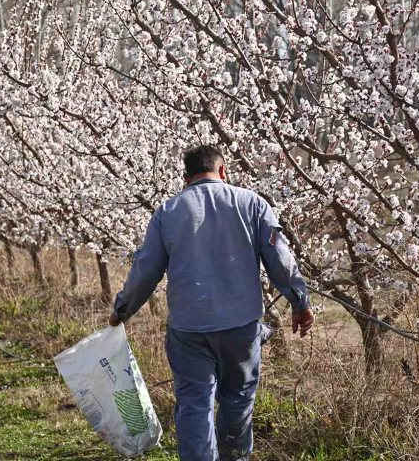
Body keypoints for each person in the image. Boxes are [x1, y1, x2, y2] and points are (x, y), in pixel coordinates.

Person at [109, 145, 314, 461]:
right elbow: (280, 259)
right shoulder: (253, 204)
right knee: (238, 398)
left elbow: (145, 270)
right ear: (223, 171)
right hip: (241, 325)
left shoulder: (167, 212)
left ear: (186, 177)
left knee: (194, 402)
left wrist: (123, 310)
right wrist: (300, 302)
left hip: (189, 329)